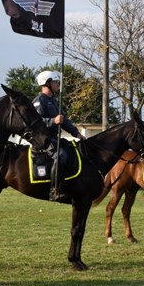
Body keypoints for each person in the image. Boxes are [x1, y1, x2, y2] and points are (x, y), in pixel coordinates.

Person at [33, 70, 86, 202]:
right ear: (47, 83)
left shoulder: (54, 101)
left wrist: (77, 134)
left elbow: (64, 121)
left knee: (71, 151)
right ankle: (54, 190)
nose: (58, 85)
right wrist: (52, 121)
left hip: (54, 138)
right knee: (60, 156)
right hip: (43, 139)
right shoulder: (38, 101)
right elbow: (36, 122)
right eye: (56, 82)